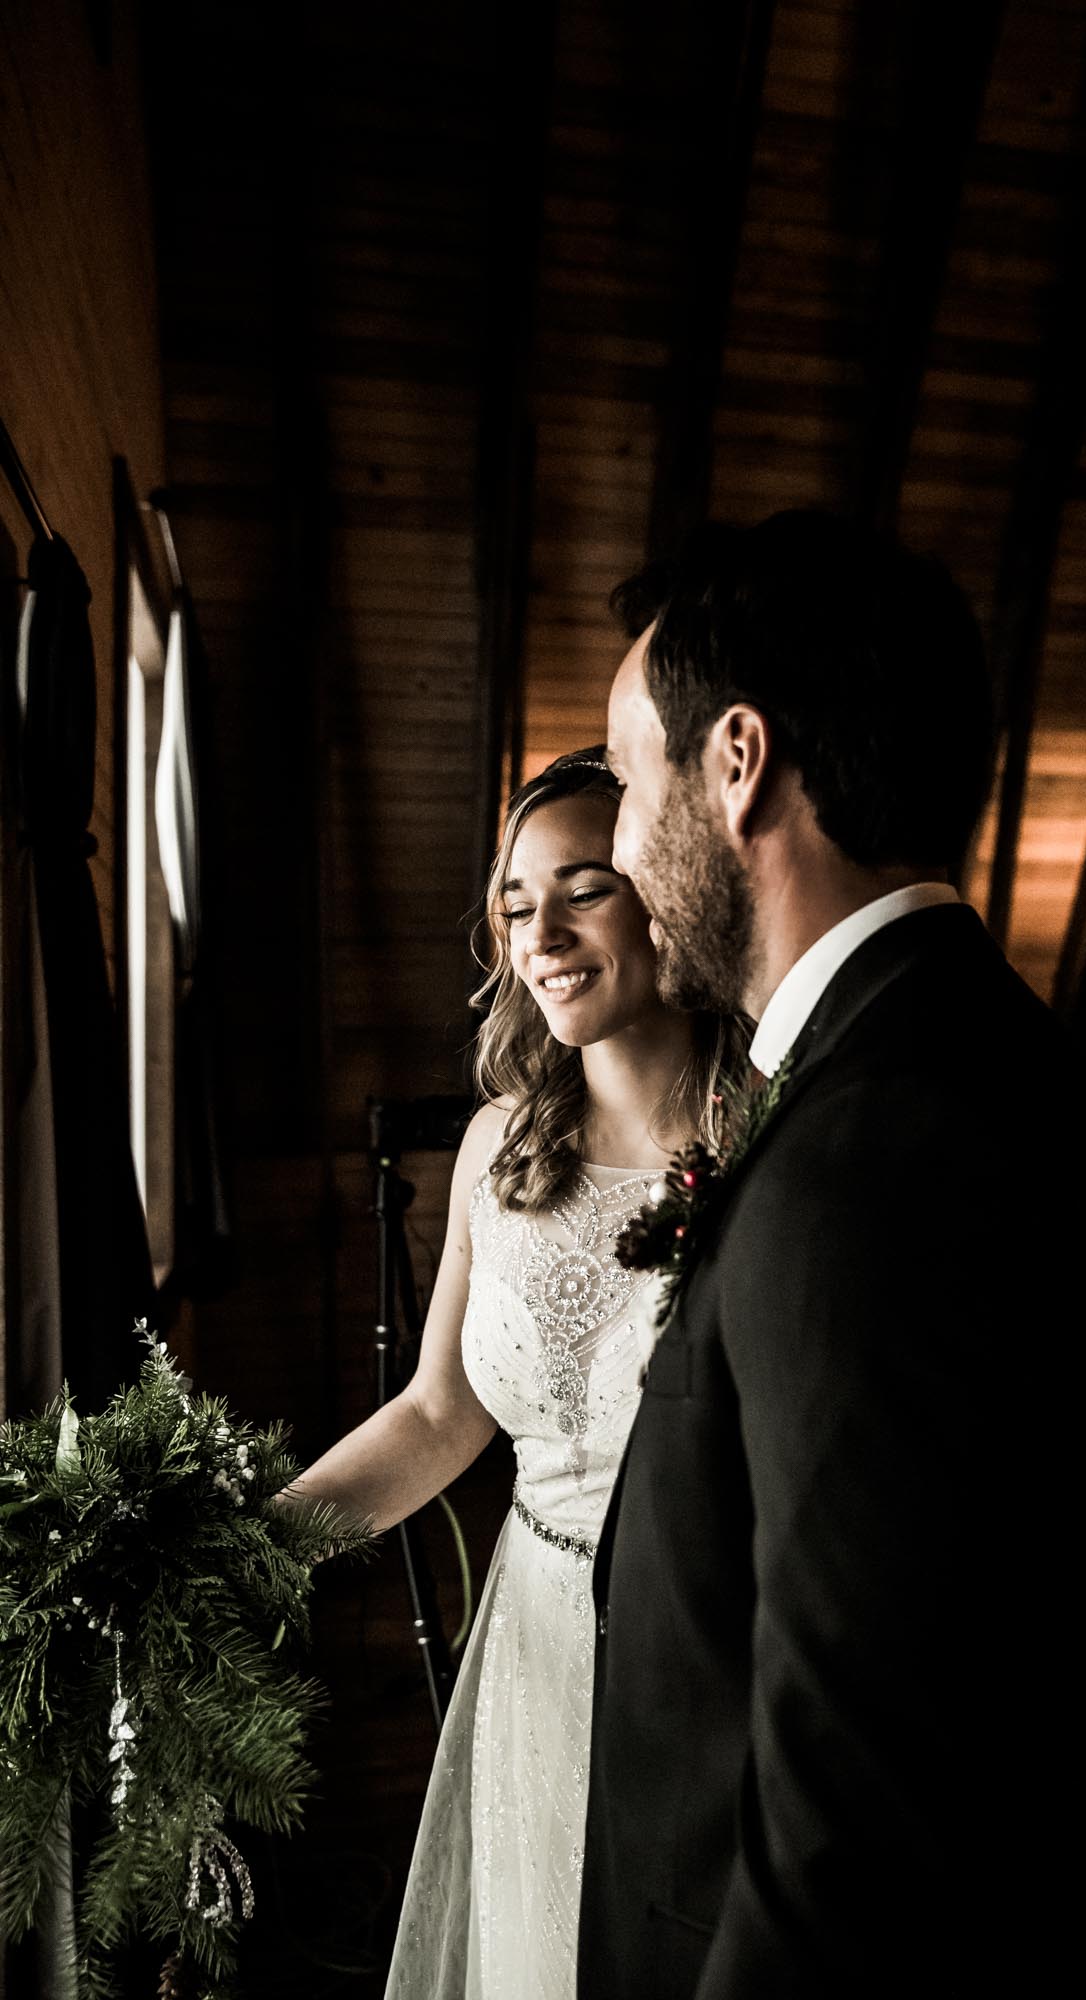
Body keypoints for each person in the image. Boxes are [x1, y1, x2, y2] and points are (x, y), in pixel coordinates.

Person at [581, 512, 1086, 1997]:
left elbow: (853, 1836)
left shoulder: (875, 1151)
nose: (611, 850)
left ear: (737, 764)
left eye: (621, 779)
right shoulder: (964, 1061)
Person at [286, 749, 744, 2000]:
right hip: (537, 1645)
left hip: (711, 1661)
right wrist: (254, 1545)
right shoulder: (500, 1144)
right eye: (514, 902)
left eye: (584, 888)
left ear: (667, 894)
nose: (540, 933)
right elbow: (439, 1414)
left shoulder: (771, 1137)